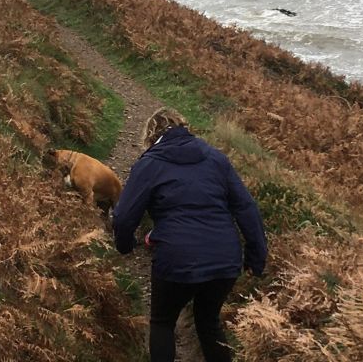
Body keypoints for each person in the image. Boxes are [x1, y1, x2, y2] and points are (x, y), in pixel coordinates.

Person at [111, 108, 269, 362]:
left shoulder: (149, 163)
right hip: (224, 259)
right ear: (184, 127)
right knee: (209, 322)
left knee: (162, 322)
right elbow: (245, 207)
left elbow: (124, 216)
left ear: (151, 135)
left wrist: (125, 245)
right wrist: (256, 255)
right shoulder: (216, 158)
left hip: (177, 259)